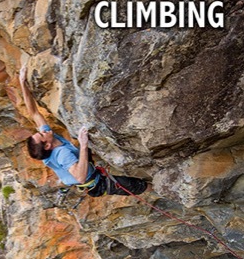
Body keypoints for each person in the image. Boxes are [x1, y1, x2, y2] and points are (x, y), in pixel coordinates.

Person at [18, 66, 151, 198]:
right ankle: (152, 189)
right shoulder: (62, 154)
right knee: (137, 186)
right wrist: (83, 145)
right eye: (42, 134)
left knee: (86, 153)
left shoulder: (48, 143)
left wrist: (22, 83)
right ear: (47, 145)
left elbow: (34, 113)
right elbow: (80, 177)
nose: (43, 131)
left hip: (88, 172)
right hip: (97, 183)